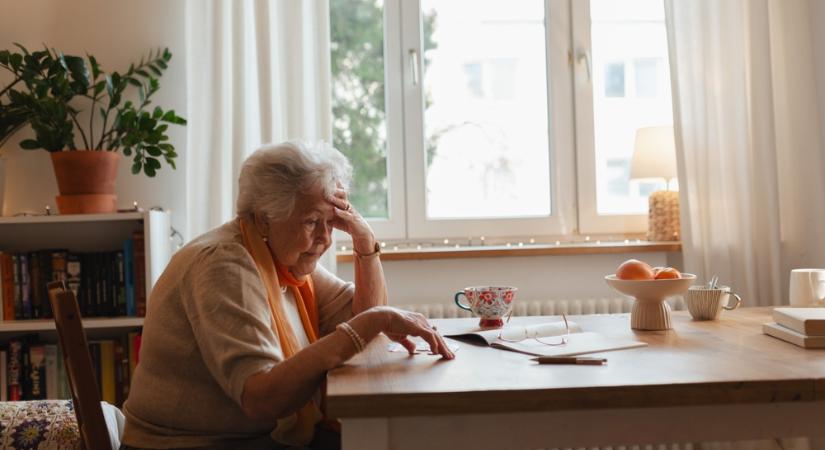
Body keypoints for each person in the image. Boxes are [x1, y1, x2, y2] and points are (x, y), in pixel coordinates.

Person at [121, 141, 455, 450]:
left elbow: (363, 317)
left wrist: (365, 243)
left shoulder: (283, 261)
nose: (324, 238)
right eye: (312, 222)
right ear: (265, 220)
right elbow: (261, 398)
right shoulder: (226, 265)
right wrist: (374, 321)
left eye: (332, 222)